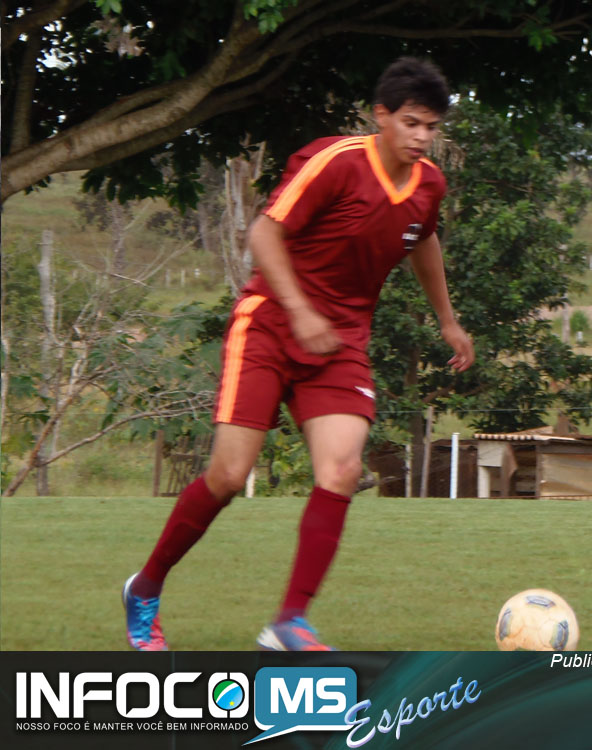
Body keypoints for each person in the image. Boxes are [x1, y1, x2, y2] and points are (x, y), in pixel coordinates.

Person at [123, 58, 474, 651]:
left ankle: (289, 622)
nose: (421, 137)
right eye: (411, 123)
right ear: (381, 115)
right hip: (269, 325)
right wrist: (301, 310)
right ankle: (146, 586)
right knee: (228, 476)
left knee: (341, 469)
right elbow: (264, 232)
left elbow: (423, 238)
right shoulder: (335, 162)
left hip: (339, 343)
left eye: (431, 127)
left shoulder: (428, 185)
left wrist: (447, 319)